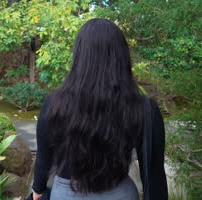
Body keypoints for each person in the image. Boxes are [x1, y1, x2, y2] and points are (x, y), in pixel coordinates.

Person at [31, 18, 168, 200]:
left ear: (79, 55)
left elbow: (43, 160)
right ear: (121, 56)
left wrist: (37, 191)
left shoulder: (54, 103)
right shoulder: (144, 108)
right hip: (120, 194)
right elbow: (153, 173)